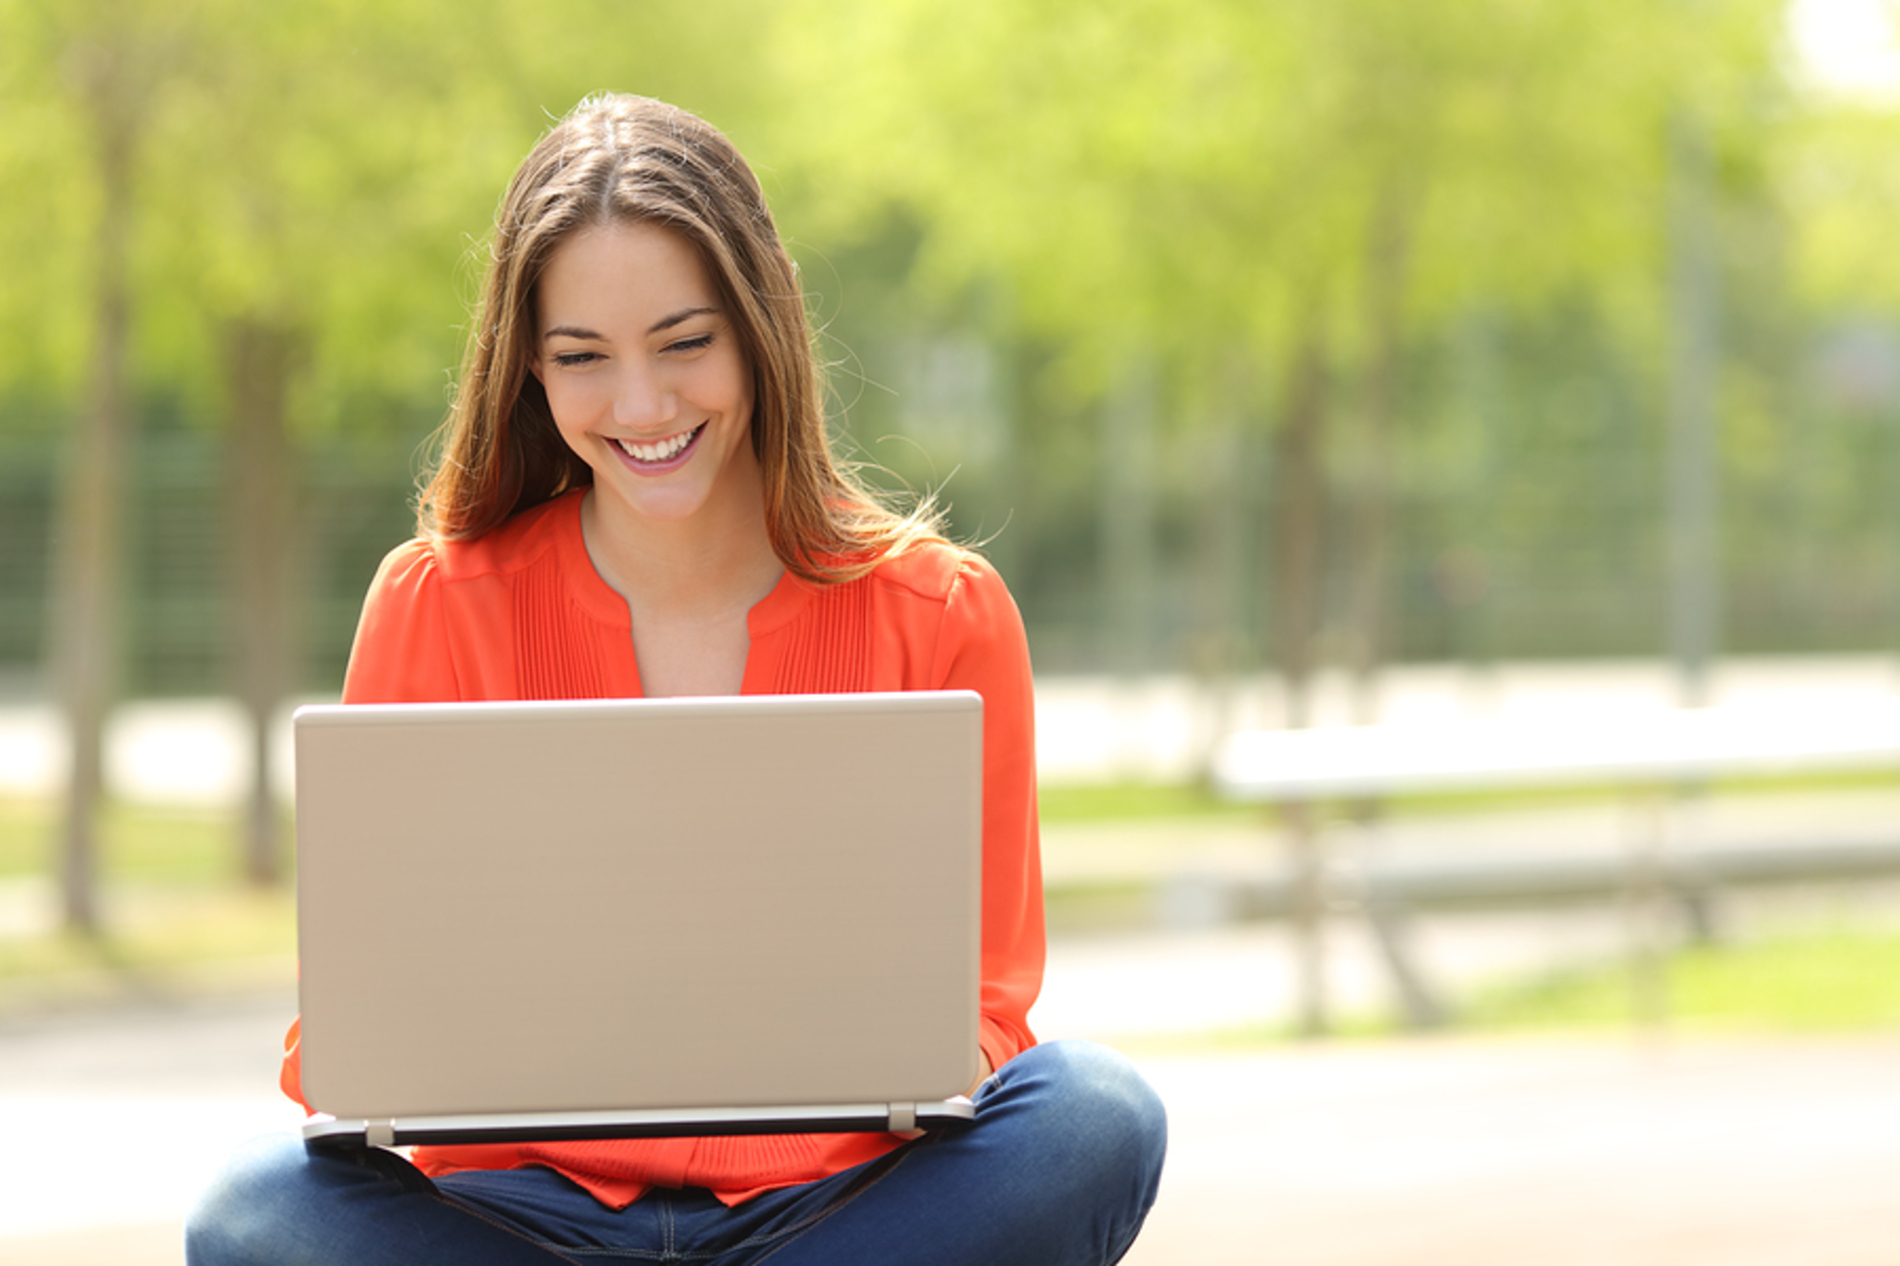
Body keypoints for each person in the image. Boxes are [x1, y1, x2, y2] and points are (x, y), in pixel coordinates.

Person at [185, 94, 1166, 1265]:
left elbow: (993, 1004)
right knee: (252, 1213)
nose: (642, 407)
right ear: (528, 371)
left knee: (1095, 1118)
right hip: (522, 1216)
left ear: (760, 329)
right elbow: (347, 1035)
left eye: (685, 343)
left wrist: (942, 1053)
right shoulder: (433, 602)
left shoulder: (943, 610)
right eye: (582, 359)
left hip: (843, 1206)